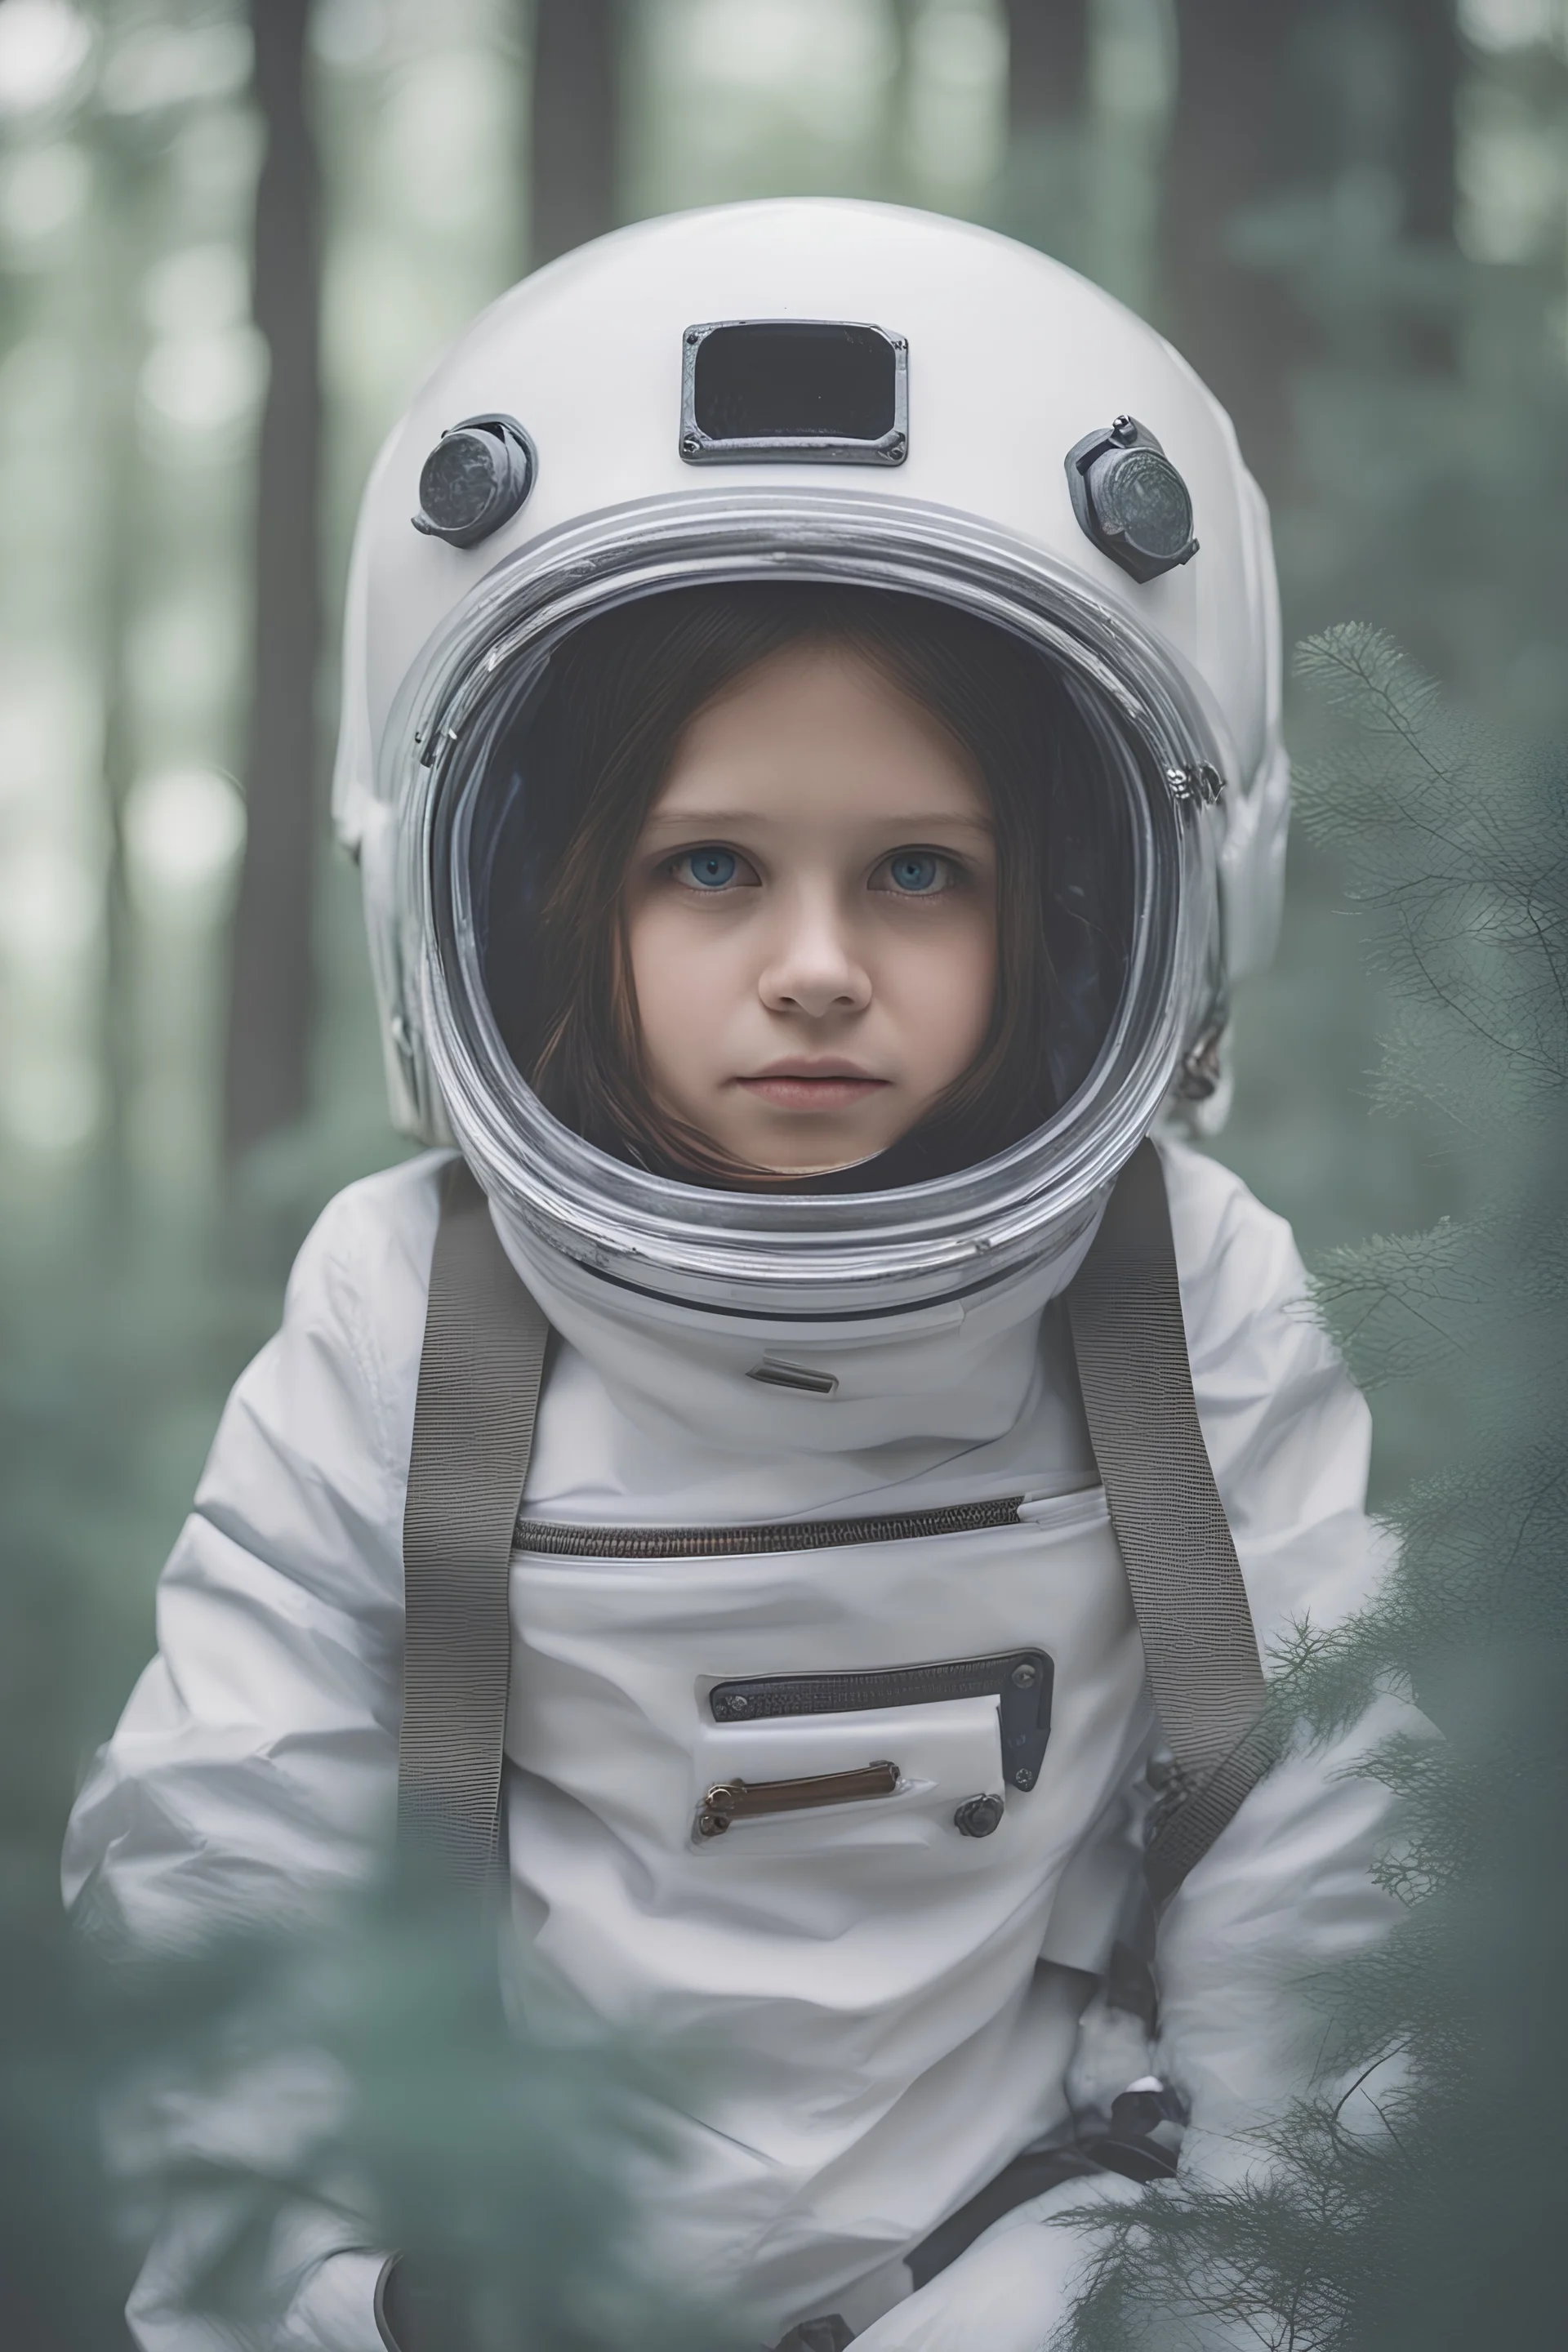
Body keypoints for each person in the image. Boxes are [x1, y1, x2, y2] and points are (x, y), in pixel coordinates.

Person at [64, 201, 1405, 2352]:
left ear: (1096, 901)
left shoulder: (1181, 1295)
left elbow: (1320, 1854)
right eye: (711, 866)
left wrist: (1230, 2297)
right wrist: (317, 2302)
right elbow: (240, 1853)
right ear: (530, 890)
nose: (812, 967)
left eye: (917, 873)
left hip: (1035, 2282)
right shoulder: (414, 1312)